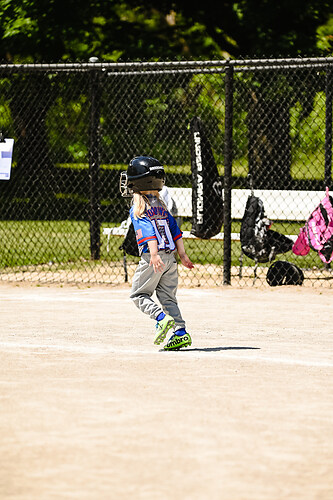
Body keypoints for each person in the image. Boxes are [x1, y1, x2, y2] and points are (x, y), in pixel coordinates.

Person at [120, 155, 194, 351]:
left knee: (138, 294)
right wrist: (183, 255)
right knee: (168, 298)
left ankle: (161, 319)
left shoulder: (139, 207)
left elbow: (148, 232)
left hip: (154, 257)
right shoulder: (161, 206)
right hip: (171, 257)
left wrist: (153, 255)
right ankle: (180, 333)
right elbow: (175, 230)